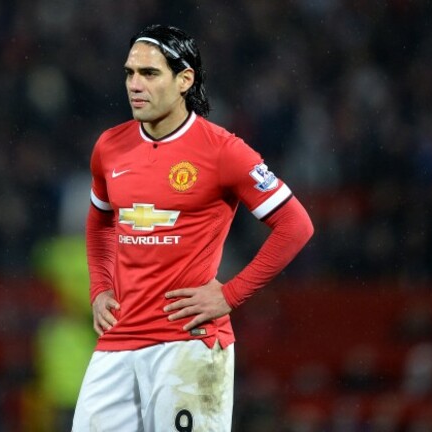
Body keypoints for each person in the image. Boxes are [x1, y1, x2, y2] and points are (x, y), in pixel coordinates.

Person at [72, 24, 314, 431]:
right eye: (130, 73)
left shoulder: (223, 151)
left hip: (188, 344)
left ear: (184, 79)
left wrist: (230, 294)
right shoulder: (109, 147)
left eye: (149, 73)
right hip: (118, 341)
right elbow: (100, 220)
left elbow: (296, 225)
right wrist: (100, 288)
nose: (135, 84)